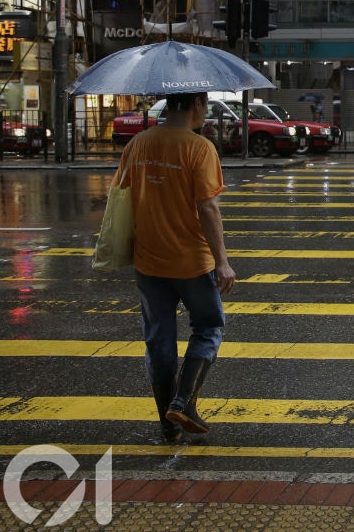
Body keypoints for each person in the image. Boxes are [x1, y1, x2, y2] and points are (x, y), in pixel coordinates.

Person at [113, 91, 236, 443]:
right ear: (194, 104)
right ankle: (183, 401)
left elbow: (123, 194)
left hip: (149, 260)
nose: (206, 111)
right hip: (192, 260)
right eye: (206, 104)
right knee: (209, 326)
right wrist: (223, 261)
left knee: (158, 340)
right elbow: (208, 208)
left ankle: (167, 423)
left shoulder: (138, 144)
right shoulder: (199, 148)